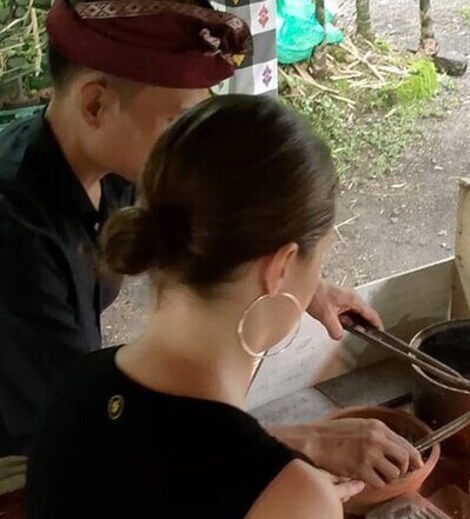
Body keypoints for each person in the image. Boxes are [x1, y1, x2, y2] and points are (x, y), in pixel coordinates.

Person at [0, 0, 420, 486]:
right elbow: (89, 441)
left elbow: (210, 224)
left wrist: (297, 282)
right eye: (180, 124)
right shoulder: (17, 239)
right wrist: (299, 442)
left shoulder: (114, 161)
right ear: (95, 104)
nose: (196, 148)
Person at [25, 94, 364, 519]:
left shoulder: (73, 389)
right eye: (319, 261)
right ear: (281, 267)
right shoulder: (289, 502)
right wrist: (297, 509)